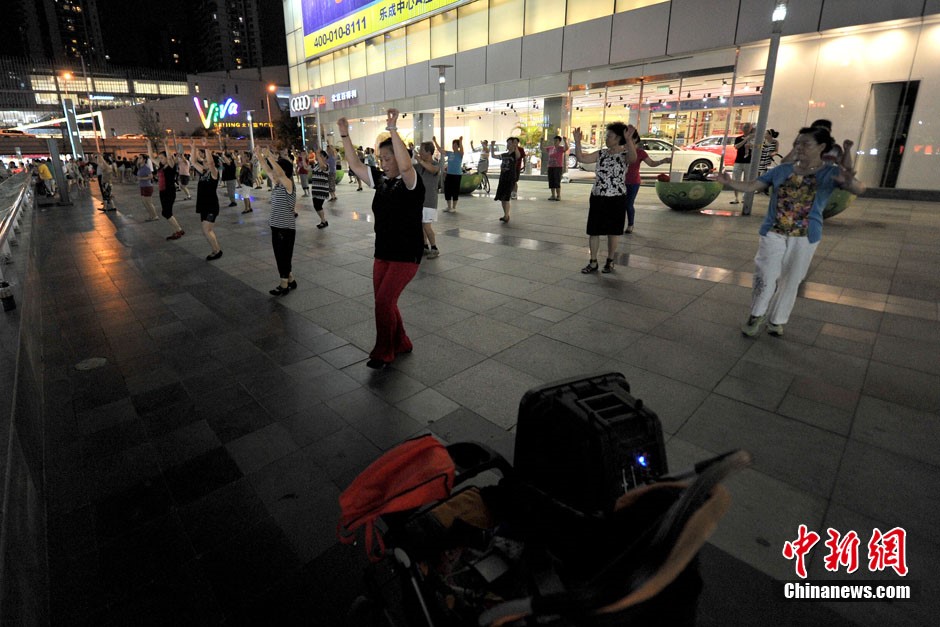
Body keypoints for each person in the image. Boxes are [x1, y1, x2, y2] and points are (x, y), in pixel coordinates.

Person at [717, 127, 866, 337]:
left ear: (822, 147)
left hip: (806, 235)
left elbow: (860, 189)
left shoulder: (830, 173)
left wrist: (849, 182)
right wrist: (730, 182)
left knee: (792, 279)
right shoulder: (783, 170)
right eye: (797, 143)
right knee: (765, 274)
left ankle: (777, 320)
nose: (799, 148)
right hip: (773, 231)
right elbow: (753, 185)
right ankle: (756, 314)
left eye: (806, 144)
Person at [339, 109, 424, 370]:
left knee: (384, 302)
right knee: (385, 302)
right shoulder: (382, 181)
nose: (384, 163)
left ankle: (384, 351)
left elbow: (407, 165)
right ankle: (402, 341)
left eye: (388, 158)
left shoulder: (411, 183)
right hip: (383, 252)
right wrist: (344, 134)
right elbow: (354, 165)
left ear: (399, 157)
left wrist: (393, 128)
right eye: (381, 158)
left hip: (406, 255)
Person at [574, 122, 637, 274]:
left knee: (613, 231)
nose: (606, 138)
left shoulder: (624, 154)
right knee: (593, 231)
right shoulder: (601, 153)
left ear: (618, 138)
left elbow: (633, 159)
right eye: (606, 135)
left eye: (609, 136)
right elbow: (582, 158)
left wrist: (629, 140)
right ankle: (593, 261)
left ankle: (610, 260)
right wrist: (577, 142)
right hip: (598, 196)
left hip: (616, 198)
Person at [255, 146, 299, 296]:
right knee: (280, 255)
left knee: (283, 256)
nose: (273, 174)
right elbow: (268, 170)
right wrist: (259, 156)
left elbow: (278, 172)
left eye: (278, 170)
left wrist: (270, 157)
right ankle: (291, 279)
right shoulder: (278, 185)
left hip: (285, 228)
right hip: (276, 226)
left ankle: (284, 284)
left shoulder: (288, 185)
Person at [624, 128, 671, 234]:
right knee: (620, 204)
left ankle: (630, 225)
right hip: (620, 182)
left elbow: (651, 163)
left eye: (630, 137)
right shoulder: (621, 151)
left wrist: (663, 161)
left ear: (635, 139)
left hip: (633, 182)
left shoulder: (640, 153)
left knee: (628, 204)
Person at [190, 140, 223, 260]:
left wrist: (207, 148)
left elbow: (211, 163)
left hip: (211, 206)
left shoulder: (214, 174)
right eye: (203, 162)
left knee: (206, 229)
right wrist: (193, 147)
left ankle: (217, 251)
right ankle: (215, 249)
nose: (203, 162)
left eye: (205, 161)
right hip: (203, 205)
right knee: (206, 230)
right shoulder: (203, 173)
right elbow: (193, 162)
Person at [147, 139, 185, 240]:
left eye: (162, 158)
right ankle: (178, 230)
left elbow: (169, 157)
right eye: (159, 158)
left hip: (169, 191)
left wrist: (166, 144)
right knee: (167, 212)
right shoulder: (160, 166)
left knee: (166, 213)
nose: (160, 159)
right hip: (162, 192)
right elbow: (151, 157)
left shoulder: (171, 166)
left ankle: (178, 230)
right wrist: (149, 144)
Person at [415, 141, 440, 258]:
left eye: (422, 150)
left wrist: (419, 160)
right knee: (421, 225)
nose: (420, 153)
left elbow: (432, 170)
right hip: (419, 201)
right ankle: (424, 246)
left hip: (429, 201)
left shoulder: (436, 165)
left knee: (426, 225)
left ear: (429, 152)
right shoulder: (419, 166)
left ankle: (434, 248)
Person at [494, 137, 523, 223]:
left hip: (510, 178)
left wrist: (515, 146)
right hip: (502, 177)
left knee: (506, 197)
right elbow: (493, 156)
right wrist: (492, 147)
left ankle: (506, 216)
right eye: (508, 143)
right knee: (502, 197)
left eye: (510, 143)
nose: (508, 145)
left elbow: (518, 156)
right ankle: (505, 215)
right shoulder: (504, 154)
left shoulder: (514, 154)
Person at [435, 136, 464, 212]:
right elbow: (440, 150)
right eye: (453, 145)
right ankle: (448, 207)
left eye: (455, 145)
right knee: (447, 190)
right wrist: (435, 141)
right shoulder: (450, 153)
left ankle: (454, 207)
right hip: (449, 174)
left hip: (457, 175)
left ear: (458, 146)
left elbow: (462, 149)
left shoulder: (460, 154)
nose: (453, 146)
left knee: (455, 190)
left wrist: (460, 141)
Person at [730, 123, 754, 204]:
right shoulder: (738, 138)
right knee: (736, 179)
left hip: (748, 161)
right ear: (742, 129)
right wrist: (745, 140)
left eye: (748, 127)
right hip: (739, 161)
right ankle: (736, 198)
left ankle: (745, 197)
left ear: (751, 128)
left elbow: (757, 147)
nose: (746, 129)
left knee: (747, 180)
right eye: (745, 127)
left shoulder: (754, 138)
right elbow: (737, 146)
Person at [309, 149, 331, 228]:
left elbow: (322, 166)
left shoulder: (326, 166)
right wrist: (304, 158)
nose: (319, 158)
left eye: (321, 156)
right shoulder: (316, 165)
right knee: (316, 206)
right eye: (319, 156)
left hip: (322, 190)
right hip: (315, 189)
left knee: (318, 205)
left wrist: (317, 154)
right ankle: (323, 220)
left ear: (325, 158)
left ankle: (323, 221)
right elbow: (306, 168)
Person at [543, 135, 568, 201]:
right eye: (554, 140)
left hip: (558, 167)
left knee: (557, 181)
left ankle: (558, 195)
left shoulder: (561, 148)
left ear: (559, 141)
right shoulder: (550, 148)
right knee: (551, 181)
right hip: (550, 166)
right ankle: (553, 195)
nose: (555, 142)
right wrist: (541, 141)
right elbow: (542, 149)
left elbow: (566, 148)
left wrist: (565, 141)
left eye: (556, 140)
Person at [136, 154, 160, 221]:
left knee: (149, 202)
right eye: (138, 158)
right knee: (144, 202)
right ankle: (151, 215)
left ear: (144, 160)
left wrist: (141, 178)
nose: (138, 159)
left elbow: (151, 176)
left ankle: (155, 216)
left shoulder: (146, 167)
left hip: (147, 186)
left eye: (140, 158)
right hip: (142, 186)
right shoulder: (140, 167)